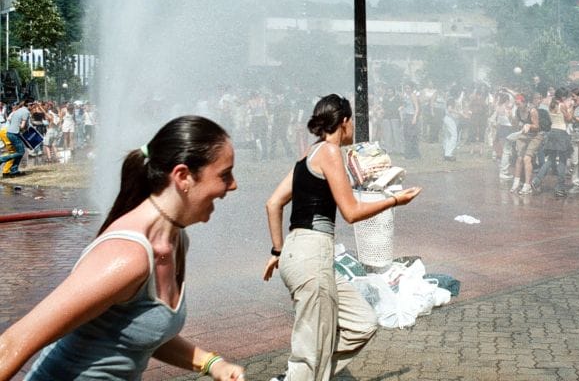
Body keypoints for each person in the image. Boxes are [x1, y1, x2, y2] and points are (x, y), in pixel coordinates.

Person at [0, 116, 245, 380]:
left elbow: (141, 334)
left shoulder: (176, 240)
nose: (233, 185)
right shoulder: (128, 256)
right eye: (224, 174)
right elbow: (11, 344)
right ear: (183, 176)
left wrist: (211, 363)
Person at [263, 94, 421, 381]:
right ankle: (298, 376)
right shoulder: (330, 152)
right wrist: (394, 201)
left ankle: (301, 376)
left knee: (363, 323)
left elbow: (273, 204)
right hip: (312, 253)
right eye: (352, 123)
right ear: (345, 122)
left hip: (302, 253)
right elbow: (350, 211)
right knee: (309, 352)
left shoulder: (307, 156)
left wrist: (277, 252)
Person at [0, 100, 32, 176]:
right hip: (7, 132)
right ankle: (5, 166)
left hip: (7, 132)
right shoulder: (24, 112)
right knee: (17, 152)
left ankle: (10, 171)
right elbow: (22, 126)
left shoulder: (17, 112)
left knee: (17, 152)